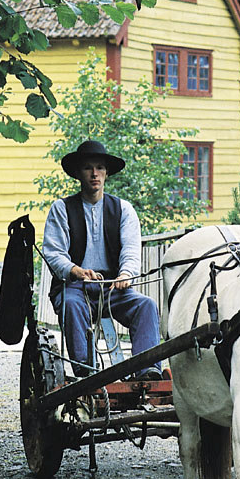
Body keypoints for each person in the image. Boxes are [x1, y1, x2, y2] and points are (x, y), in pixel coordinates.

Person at [41, 140, 161, 380]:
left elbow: (130, 250)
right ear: (78, 173)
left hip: (111, 287)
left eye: (99, 168)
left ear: (106, 173)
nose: (94, 174)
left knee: (146, 306)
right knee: (72, 305)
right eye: (87, 168)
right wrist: (76, 271)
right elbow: (54, 253)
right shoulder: (61, 208)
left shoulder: (124, 209)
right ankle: (87, 374)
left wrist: (126, 274)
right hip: (74, 286)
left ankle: (147, 371)